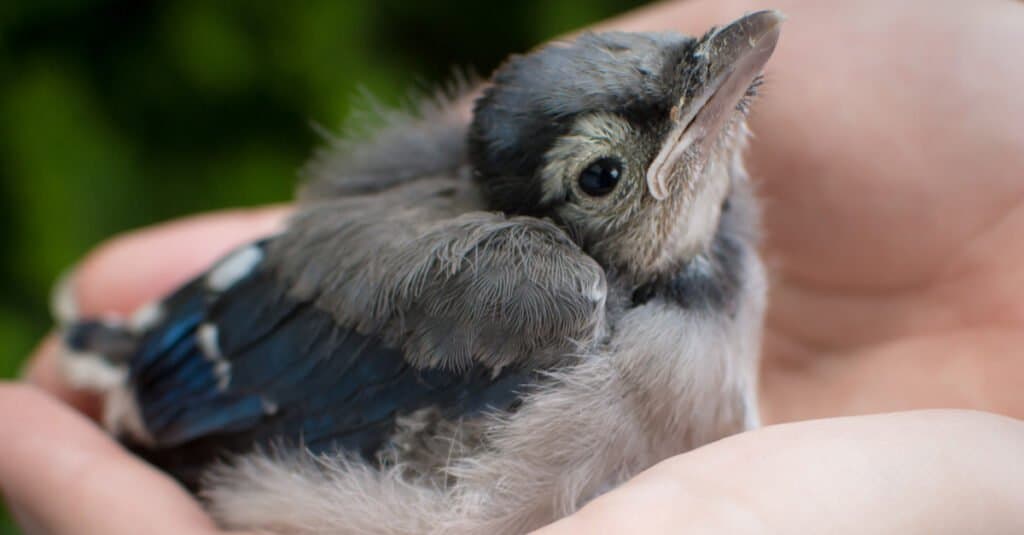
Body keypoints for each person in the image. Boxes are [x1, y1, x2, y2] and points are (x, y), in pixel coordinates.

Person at [2, 0, 1023, 532]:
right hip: (209, 385)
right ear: (558, 220)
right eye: (603, 177)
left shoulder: (727, 238)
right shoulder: (544, 304)